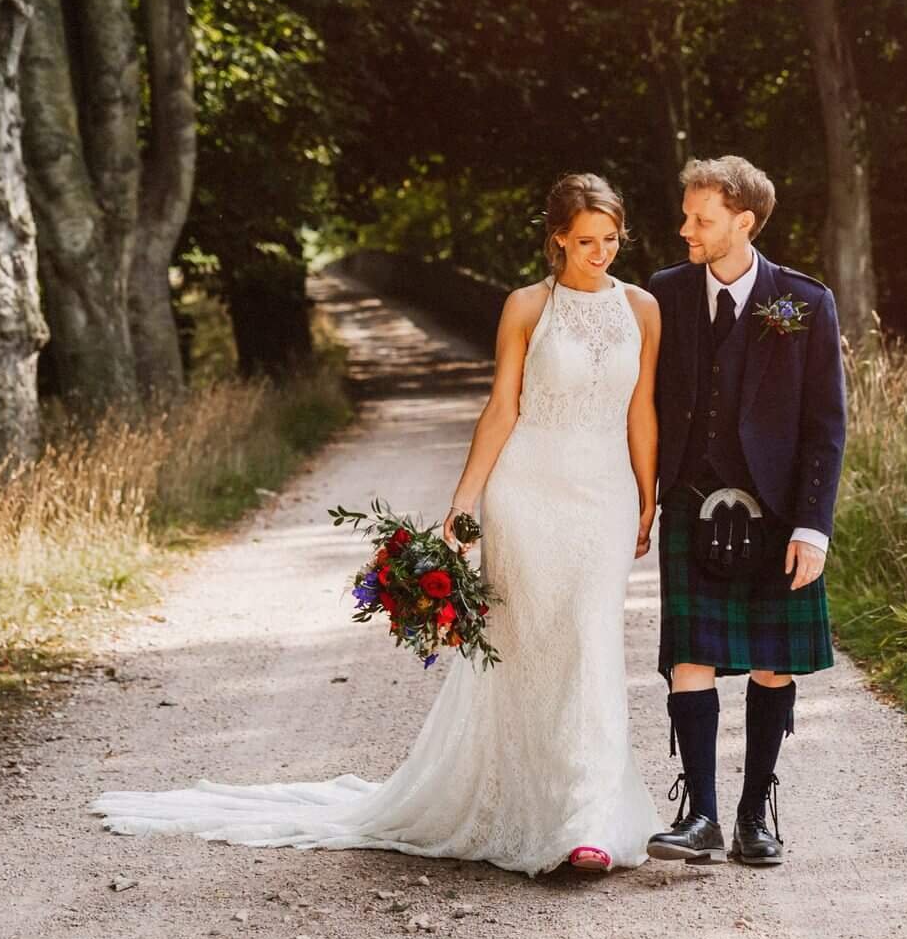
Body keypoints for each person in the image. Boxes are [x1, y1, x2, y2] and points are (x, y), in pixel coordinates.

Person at [89, 174, 663, 877]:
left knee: (594, 638)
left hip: (603, 495)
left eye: (610, 240)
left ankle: (593, 815)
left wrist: (647, 491)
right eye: (584, 242)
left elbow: (642, 409)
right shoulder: (524, 307)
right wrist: (463, 503)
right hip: (529, 492)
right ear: (556, 239)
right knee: (528, 647)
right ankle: (543, 805)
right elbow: (501, 409)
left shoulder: (642, 308)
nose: (599, 253)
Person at [643, 156, 847, 868]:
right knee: (690, 658)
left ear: (743, 222)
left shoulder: (804, 302)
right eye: (687, 214)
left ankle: (755, 817)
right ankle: (699, 813)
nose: (685, 229)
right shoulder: (662, 295)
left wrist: (812, 526)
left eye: (701, 219)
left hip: (777, 514)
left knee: (773, 664)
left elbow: (827, 426)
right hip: (692, 504)